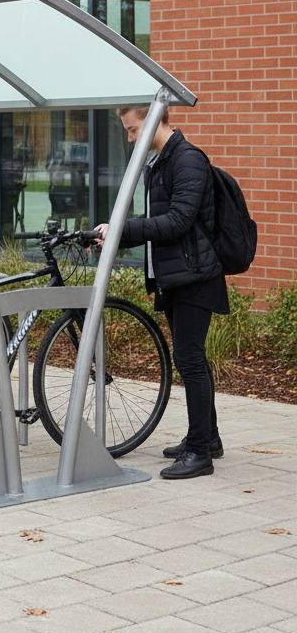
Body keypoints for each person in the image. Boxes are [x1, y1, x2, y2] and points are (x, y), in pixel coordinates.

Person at [95, 105, 228, 480]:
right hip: (176, 276)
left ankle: (201, 453)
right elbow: (159, 226)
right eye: (127, 130)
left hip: (196, 277)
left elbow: (179, 221)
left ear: (157, 121)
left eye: (134, 129)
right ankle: (208, 437)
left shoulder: (187, 160)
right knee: (192, 358)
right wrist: (112, 239)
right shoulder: (161, 162)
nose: (130, 138)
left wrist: (122, 228)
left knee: (189, 359)